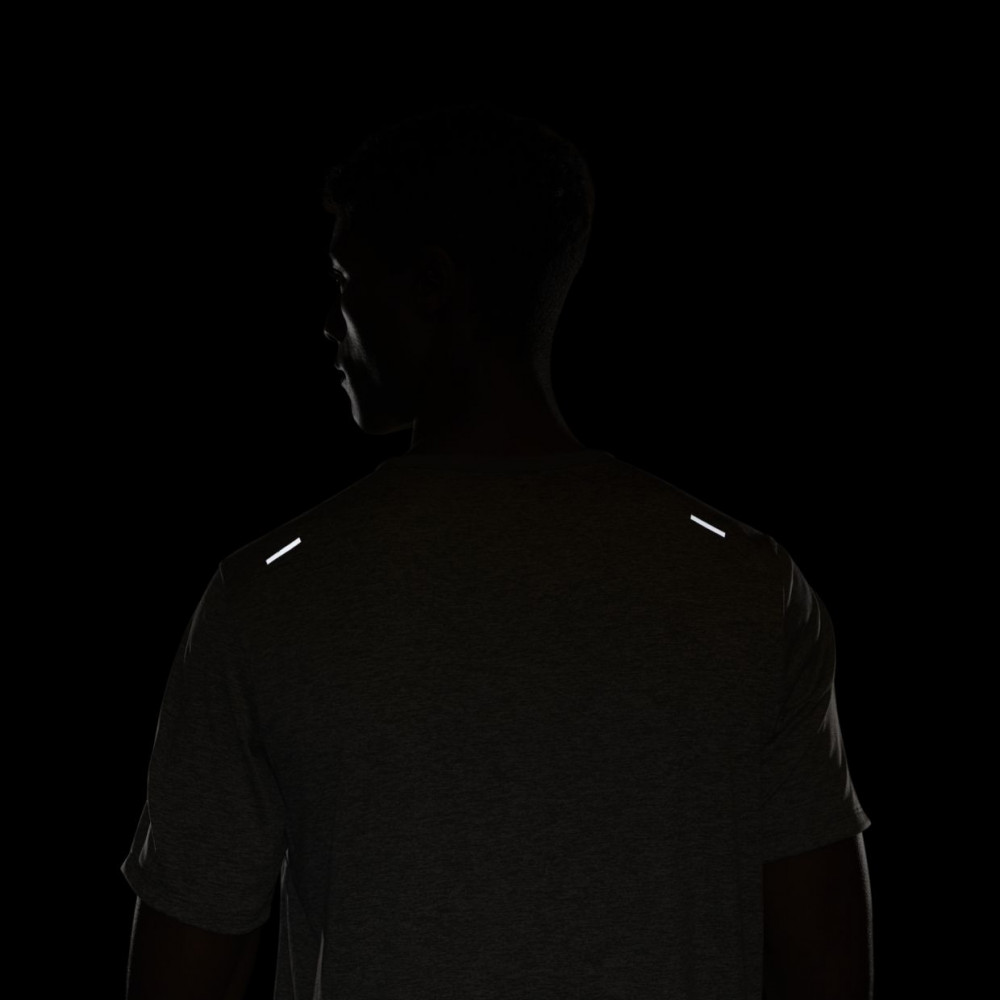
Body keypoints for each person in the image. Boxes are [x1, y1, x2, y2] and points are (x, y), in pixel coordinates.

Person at [122, 102, 873, 999]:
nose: (330, 320)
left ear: (431, 286)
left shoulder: (267, 595)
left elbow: (180, 978)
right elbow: (829, 970)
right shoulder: (745, 584)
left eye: (346, 278)